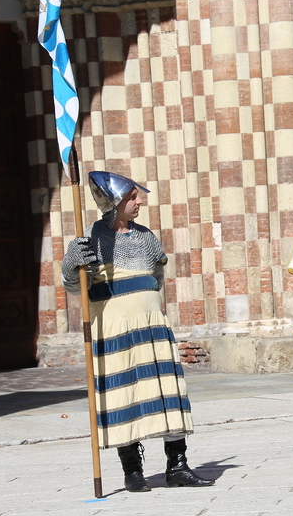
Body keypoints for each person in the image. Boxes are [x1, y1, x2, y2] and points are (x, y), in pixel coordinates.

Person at [62, 171, 213, 492]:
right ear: (113, 202)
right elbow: (76, 288)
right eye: (132, 197)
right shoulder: (91, 238)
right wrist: (72, 264)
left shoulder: (146, 237)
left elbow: (157, 277)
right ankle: (132, 472)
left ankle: (178, 466)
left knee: (166, 392)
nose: (140, 201)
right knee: (124, 393)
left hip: (151, 327)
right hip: (114, 329)